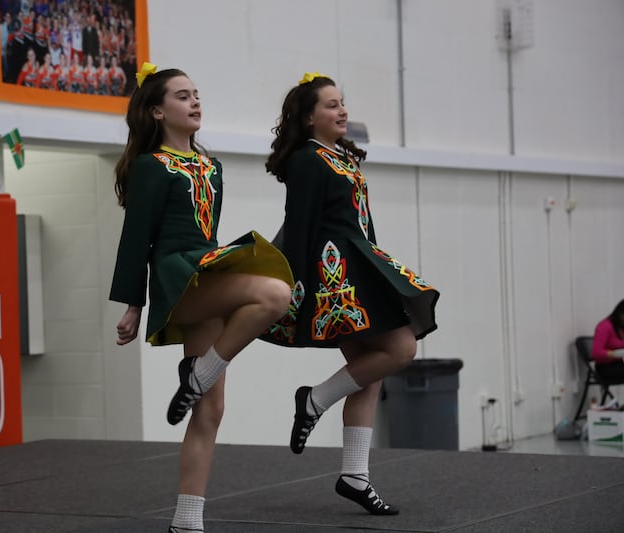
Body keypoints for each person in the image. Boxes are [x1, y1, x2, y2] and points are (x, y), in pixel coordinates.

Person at [109, 62, 293, 533]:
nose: (195, 102)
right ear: (156, 111)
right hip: (178, 277)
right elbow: (137, 237)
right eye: (182, 96)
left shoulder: (212, 167)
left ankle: (186, 521)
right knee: (275, 293)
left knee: (210, 409)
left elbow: (206, 232)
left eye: (196, 94)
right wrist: (133, 304)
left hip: (208, 268)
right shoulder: (152, 166)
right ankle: (201, 371)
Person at [261, 72, 439, 516]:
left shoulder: (338, 156)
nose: (342, 111)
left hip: (360, 266)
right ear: (309, 117)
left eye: (342, 103)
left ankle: (355, 475)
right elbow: (299, 228)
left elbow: (361, 223)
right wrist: (293, 285)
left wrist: (378, 268)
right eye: (331, 105)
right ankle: (315, 399)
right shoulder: (307, 159)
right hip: (335, 274)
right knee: (401, 348)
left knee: (369, 371)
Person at [591, 299, 624, 383]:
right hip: (606, 368)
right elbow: (596, 353)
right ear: (620, 314)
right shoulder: (604, 326)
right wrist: (615, 354)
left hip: (620, 364)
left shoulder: (621, 328)